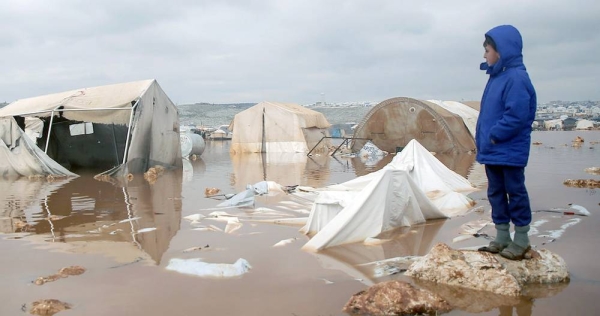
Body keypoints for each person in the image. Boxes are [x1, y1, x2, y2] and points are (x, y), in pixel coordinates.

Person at [475, 25, 537, 260]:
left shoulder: (516, 78)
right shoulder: (497, 77)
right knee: (496, 192)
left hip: (508, 149)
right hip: (494, 150)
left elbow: (517, 115)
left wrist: (494, 134)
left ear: (500, 51)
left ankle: (521, 238)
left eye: (487, 50)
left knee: (515, 191)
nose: (484, 55)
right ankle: (502, 236)